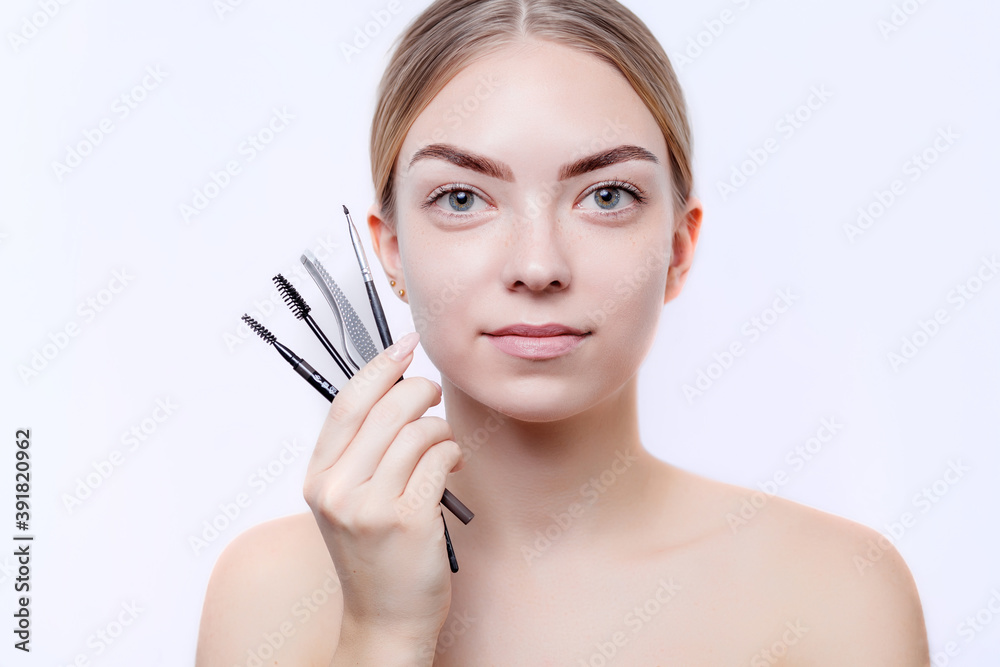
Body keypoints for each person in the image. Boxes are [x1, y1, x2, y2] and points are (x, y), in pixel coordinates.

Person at [196, 0, 931, 664]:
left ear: (678, 247)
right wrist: (382, 633)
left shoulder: (837, 591)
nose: (538, 264)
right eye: (461, 197)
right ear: (391, 251)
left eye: (607, 195)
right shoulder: (265, 594)